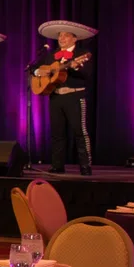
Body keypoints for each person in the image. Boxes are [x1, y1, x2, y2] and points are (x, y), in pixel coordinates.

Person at [34, 20, 95, 175]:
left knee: (80, 132)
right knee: (57, 133)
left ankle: (85, 165)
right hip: (56, 97)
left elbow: (87, 74)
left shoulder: (82, 54)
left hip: (74, 95)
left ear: (74, 39)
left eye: (66, 36)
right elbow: (36, 68)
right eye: (60, 36)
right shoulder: (52, 55)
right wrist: (37, 73)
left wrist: (76, 67)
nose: (61, 38)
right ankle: (57, 165)